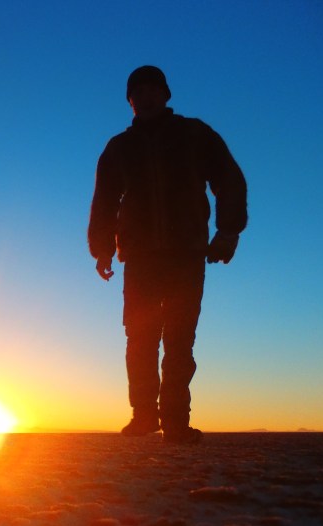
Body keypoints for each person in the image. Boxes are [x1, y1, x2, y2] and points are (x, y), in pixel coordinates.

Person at [87, 66, 247, 444]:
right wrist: (102, 250)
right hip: (140, 258)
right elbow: (105, 202)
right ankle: (144, 415)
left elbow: (228, 179)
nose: (145, 97)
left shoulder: (194, 134)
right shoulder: (119, 148)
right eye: (137, 92)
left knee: (179, 339)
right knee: (140, 338)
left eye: (152, 89)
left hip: (185, 255)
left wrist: (228, 232)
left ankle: (175, 422)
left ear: (165, 94)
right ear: (130, 101)